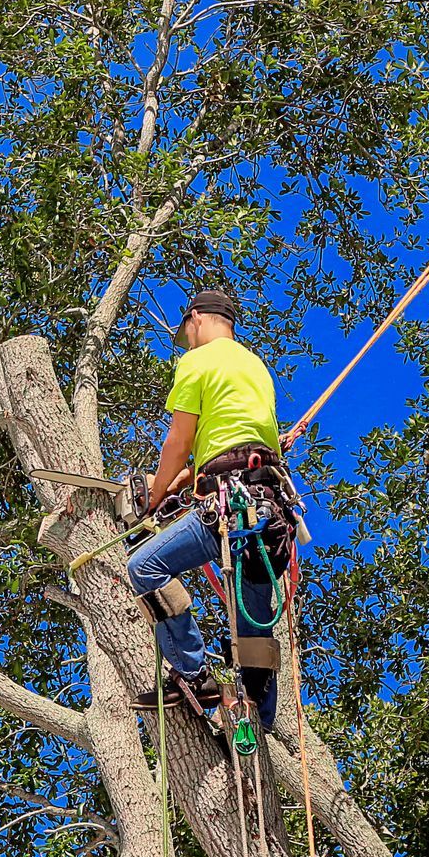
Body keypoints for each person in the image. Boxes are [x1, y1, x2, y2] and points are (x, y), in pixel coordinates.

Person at [126, 288, 296, 730]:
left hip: (229, 505)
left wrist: (158, 494)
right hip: (268, 512)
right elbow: (235, 438)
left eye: (186, 333)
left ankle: (192, 673)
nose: (187, 341)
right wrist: (190, 479)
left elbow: (179, 442)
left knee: (144, 566)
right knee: (253, 629)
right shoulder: (254, 365)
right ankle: (261, 720)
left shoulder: (196, 362)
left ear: (195, 318)